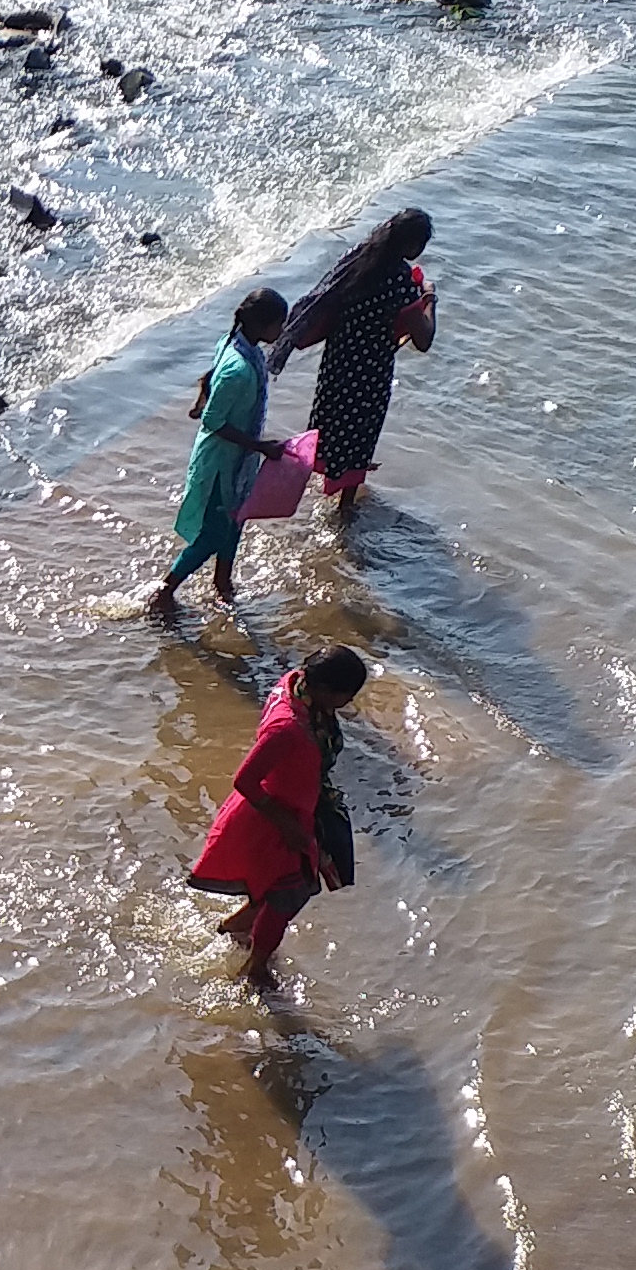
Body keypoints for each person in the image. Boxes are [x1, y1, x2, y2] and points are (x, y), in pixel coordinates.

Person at [187, 645, 365, 989]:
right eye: (346, 695)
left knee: (281, 890)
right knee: (287, 898)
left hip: (300, 808)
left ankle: (236, 927)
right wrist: (289, 828)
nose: (349, 702)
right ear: (325, 690)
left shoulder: (294, 685)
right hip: (273, 823)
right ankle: (255, 970)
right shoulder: (288, 729)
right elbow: (245, 781)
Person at [270, 209, 437, 524]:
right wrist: (429, 298)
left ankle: (308, 489)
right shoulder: (399, 279)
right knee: (358, 438)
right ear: (412, 245)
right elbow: (423, 339)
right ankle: (344, 510)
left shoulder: (356, 259)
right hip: (370, 371)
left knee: (329, 428)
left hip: (337, 361)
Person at [150, 287, 289, 616]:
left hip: (238, 460)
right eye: (279, 325)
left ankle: (223, 585)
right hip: (220, 464)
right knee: (213, 534)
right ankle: (164, 591)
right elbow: (212, 422)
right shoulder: (238, 369)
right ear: (263, 325)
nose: (281, 331)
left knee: (235, 522)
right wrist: (261, 447)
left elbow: (210, 382)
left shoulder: (237, 344)